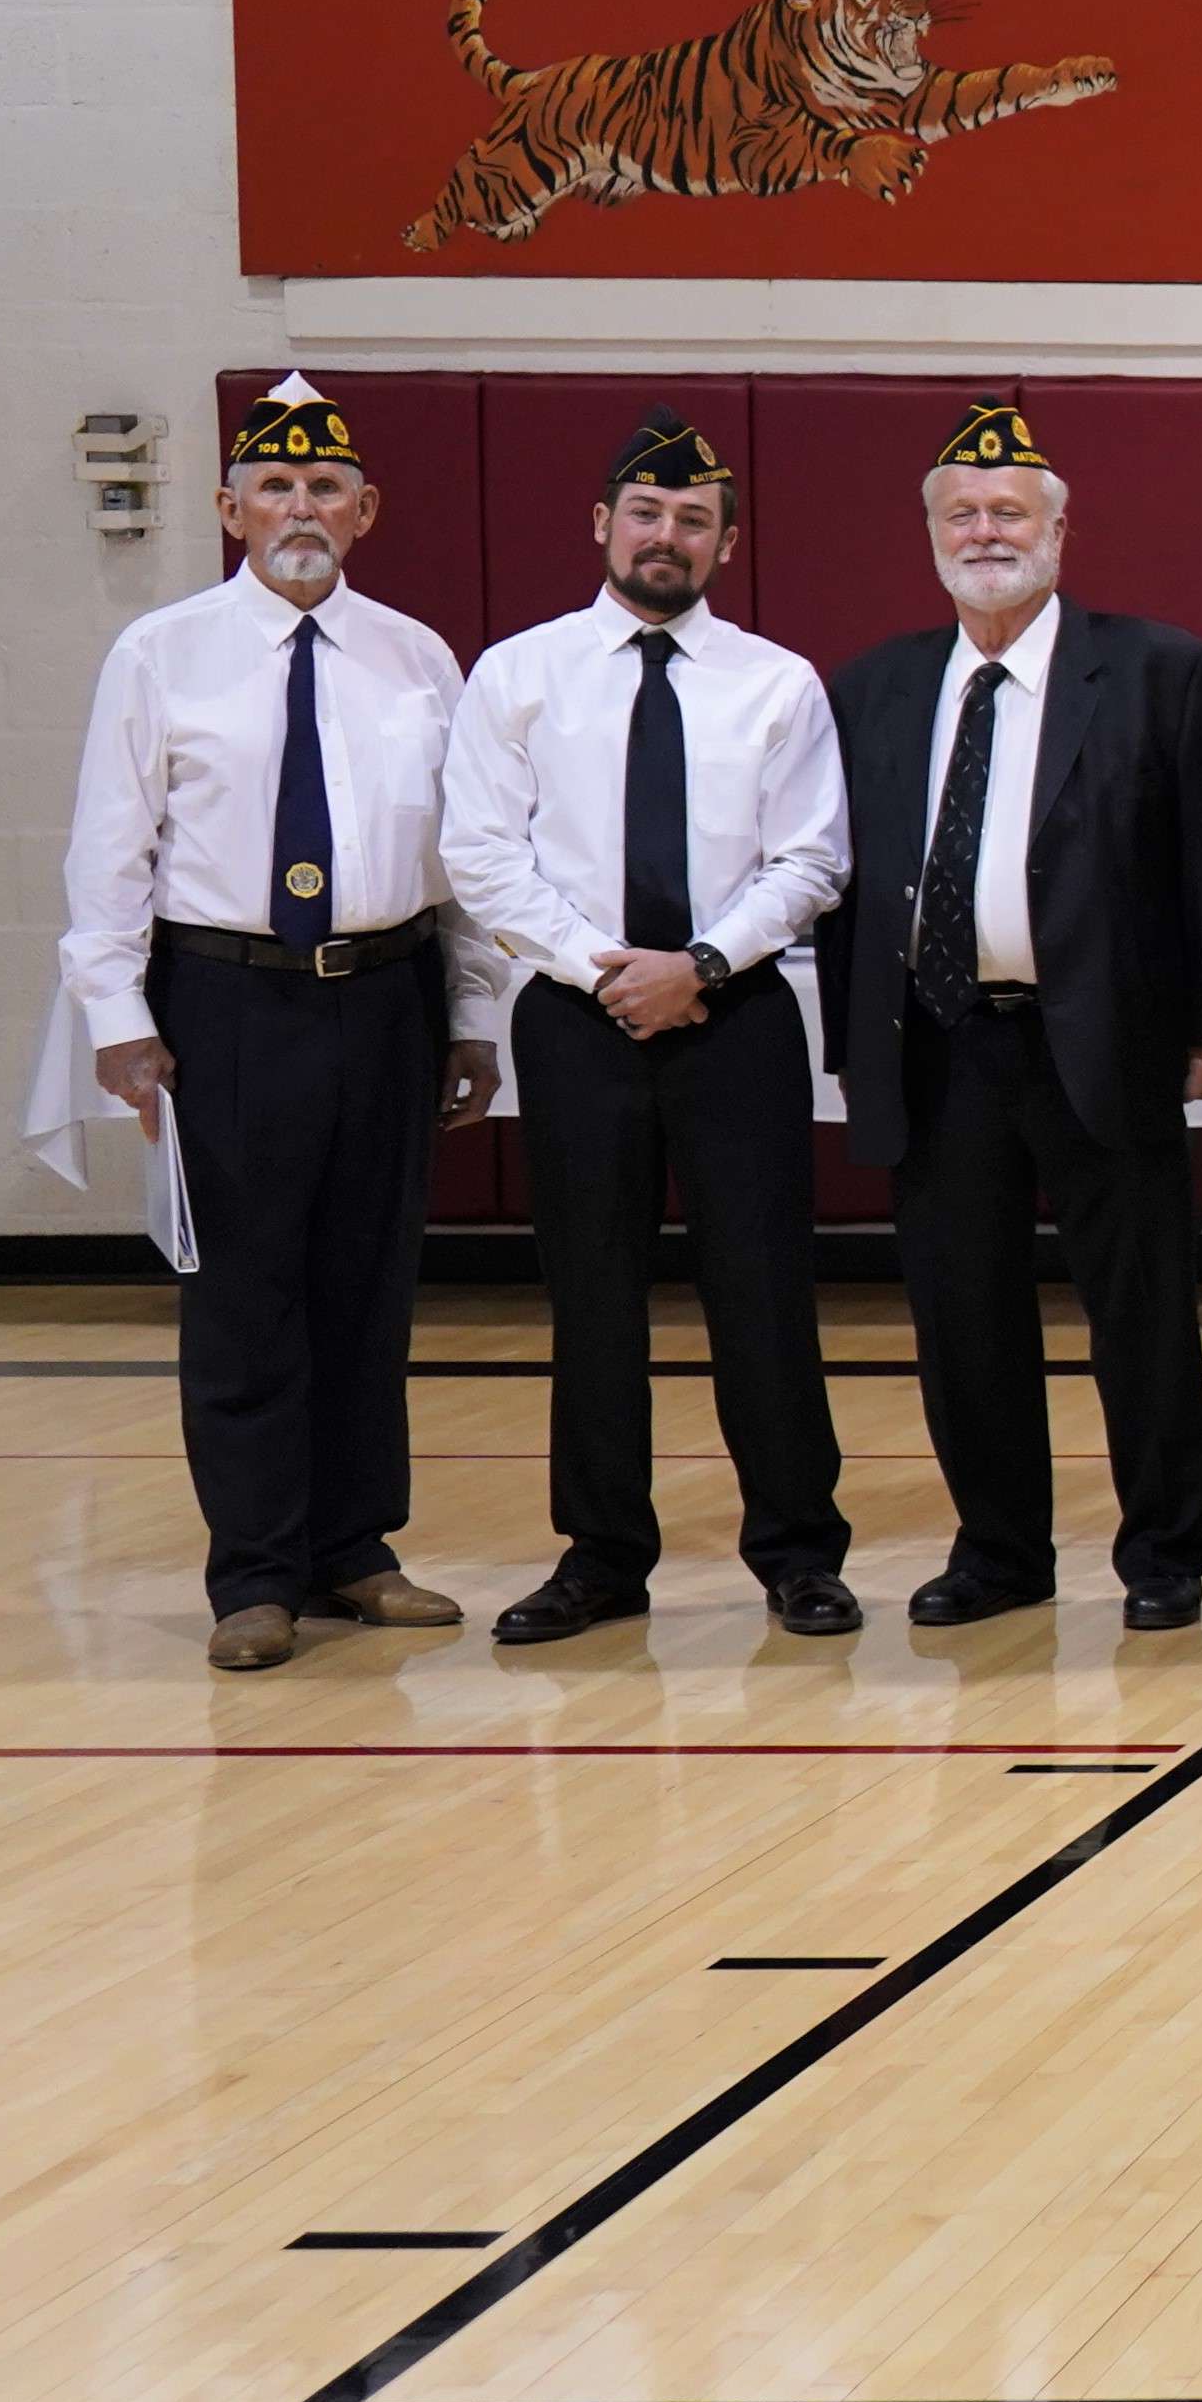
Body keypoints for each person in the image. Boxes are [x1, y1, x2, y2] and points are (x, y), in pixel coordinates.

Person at [55, 379, 492, 1674]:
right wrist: (118, 1015)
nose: (299, 509)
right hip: (228, 999)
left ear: (364, 511)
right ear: (228, 506)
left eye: (323, 489)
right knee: (244, 1290)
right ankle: (253, 1572)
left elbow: (456, 862)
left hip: (387, 993)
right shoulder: (162, 654)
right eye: (275, 487)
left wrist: (471, 1018)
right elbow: (108, 854)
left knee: (368, 1283)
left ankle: (353, 1550)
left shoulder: (418, 658)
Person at [442, 407, 853, 1645]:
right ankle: (602, 1554)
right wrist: (602, 967)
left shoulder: (775, 681)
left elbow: (812, 860)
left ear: (726, 541)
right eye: (646, 513)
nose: (666, 535)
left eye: (693, 519)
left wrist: (702, 963)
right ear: (602, 526)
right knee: (594, 1292)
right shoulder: (517, 673)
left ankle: (798, 1551)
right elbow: (480, 853)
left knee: (764, 1289)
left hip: (735, 1014)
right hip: (578, 1018)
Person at [828, 394, 1202, 1634]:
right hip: (938, 1043)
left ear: (1061, 531)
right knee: (964, 1317)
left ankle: (1163, 1556)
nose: (987, 529)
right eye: (963, 512)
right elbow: (850, 881)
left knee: (1143, 1315)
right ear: (932, 537)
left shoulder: (1162, 670)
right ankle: (1000, 1549)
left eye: (1010, 511)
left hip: (1105, 1042)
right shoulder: (877, 687)